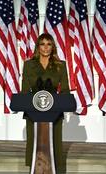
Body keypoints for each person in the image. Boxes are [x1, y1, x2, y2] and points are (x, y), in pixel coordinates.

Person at [21, 33, 70, 172]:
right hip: (33, 112)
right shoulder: (29, 65)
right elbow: (24, 91)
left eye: (49, 44)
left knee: (54, 145)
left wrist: (62, 103)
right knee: (34, 143)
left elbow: (65, 91)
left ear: (53, 46)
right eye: (42, 44)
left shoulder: (61, 65)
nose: (46, 47)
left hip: (54, 113)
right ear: (38, 46)